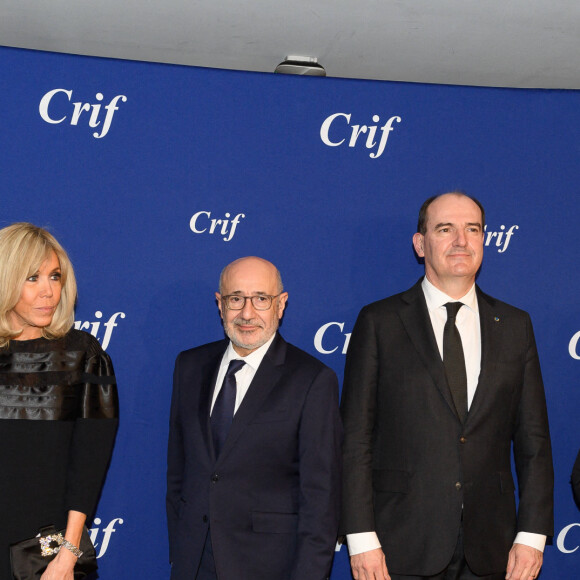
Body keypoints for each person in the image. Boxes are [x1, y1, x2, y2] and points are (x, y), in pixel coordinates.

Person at [340, 193, 553, 580]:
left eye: (472, 229)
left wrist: (533, 535)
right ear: (420, 244)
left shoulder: (516, 325)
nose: (461, 240)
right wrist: (360, 537)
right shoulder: (379, 322)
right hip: (398, 548)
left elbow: (534, 442)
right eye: (445, 229)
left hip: (494, 549)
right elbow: (355, 438)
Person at [166, 256, 342, 580]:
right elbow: (179, 472)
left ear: (281, 304)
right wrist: (181, 552)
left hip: (270, 568)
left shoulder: (312, 380)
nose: (247, 313)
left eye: (261, 299)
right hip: (193, 565)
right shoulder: (189, 366)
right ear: (220, 305)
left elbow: (321, 501)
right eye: (236, 299)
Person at [0, 223, 119, 580]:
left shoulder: (83, 355)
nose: (48, 291)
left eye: (55, 276)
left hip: (44, 556)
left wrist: (67, 556)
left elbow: (88, 466)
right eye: (32, 278)